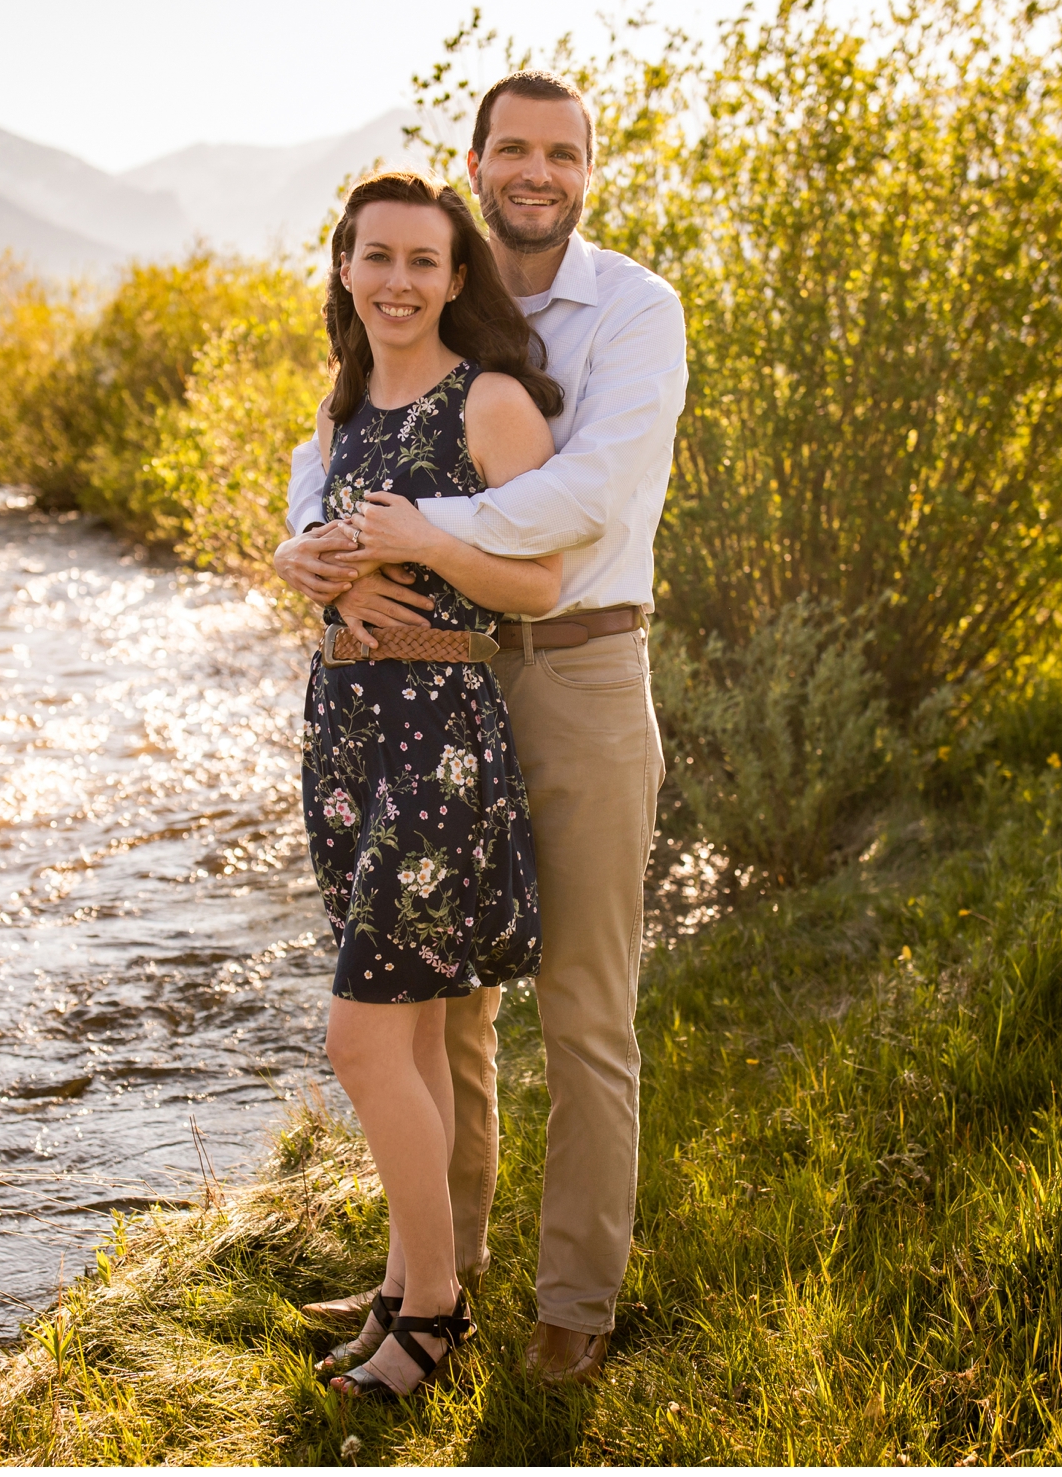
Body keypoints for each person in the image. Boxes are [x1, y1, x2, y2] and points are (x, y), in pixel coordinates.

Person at [276, 72, 687, 1385]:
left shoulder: (631, 309)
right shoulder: (443, 306)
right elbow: (338, 450)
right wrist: (319, 545)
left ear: (588, 170)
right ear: (476, 158)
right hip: (431, 684)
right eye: (512, 148)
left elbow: (590, 492)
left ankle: (575, 1293)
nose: (536, 170)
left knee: (583, 1007)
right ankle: (434, 1273)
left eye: (561, 152)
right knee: (441, 1010)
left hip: (574, 670)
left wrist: (417, 536)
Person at [298, 168, 569, 1399]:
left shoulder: (492, 404)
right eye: (377, 258)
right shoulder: (341, 410)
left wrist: (425, 543)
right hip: (349, 731)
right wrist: (323, 573)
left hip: (437, 741)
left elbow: (541, 586)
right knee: (397, 1043)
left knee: (361, 1044)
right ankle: (404, 1297)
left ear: (458, 276)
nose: (398, 281)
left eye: (423, 260)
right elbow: (314, 550)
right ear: (346, 271)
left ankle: (441, 1310)